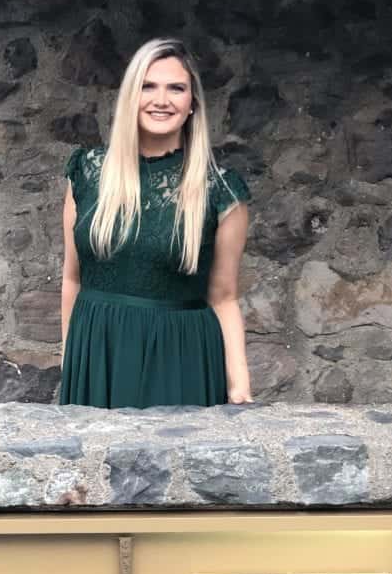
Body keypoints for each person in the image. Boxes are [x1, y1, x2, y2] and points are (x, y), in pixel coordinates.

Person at [60, 37, 252, 409]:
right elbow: (72, 278)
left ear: (192, 103)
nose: (161, 100)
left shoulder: (221, 189)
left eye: (176, 88)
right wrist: (73, 361)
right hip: (98, 355)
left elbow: (224, 297)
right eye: (148, 86)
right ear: (131, 96)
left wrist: (239, 384)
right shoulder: (86, 172)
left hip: (179, 358)